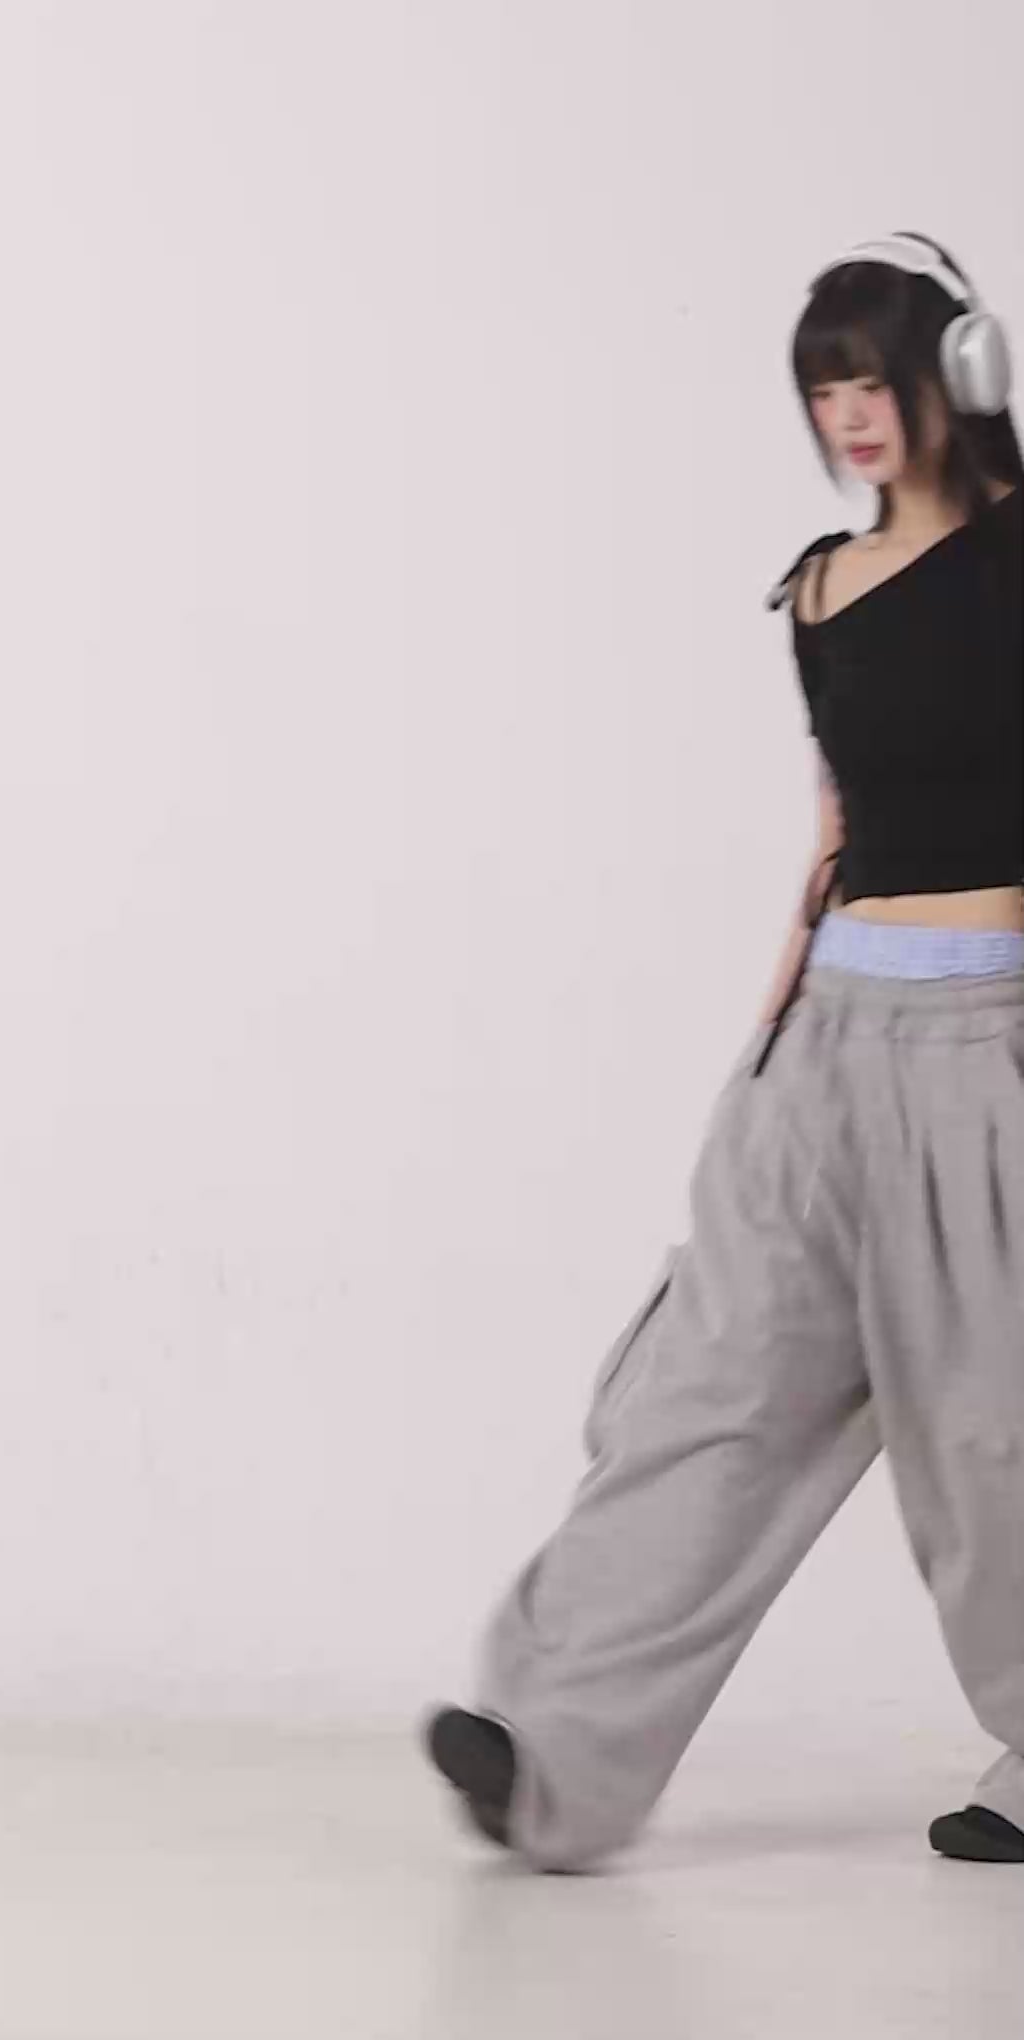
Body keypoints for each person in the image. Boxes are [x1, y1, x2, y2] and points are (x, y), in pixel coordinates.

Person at [421, 231, 1024, 1872]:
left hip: (988, 1048)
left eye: (874, 377)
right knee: (706, 1388)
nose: (852, 414)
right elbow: (835, 834)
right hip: (824, 1050)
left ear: (957, 372)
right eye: (824, 388)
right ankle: (551, 1753)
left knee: (992, 1437)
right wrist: (768, 1052)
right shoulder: (817, 590)